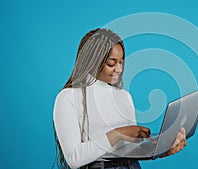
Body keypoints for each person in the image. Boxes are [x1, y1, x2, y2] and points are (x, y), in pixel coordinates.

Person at [52, 28, 187, 169]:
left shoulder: (124, 96)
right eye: (112, 63)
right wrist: (118, 134)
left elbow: (131, 149)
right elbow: (74, 158)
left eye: (121, 62)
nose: (119, 69)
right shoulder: (68, 97)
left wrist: (162, 149)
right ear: (91, 61)